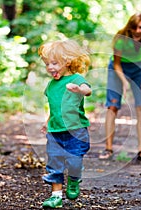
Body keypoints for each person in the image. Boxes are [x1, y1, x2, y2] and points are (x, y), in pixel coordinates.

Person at [38, 39, 92, 208]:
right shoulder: (51, 85)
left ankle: (74, 179)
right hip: (55, 131)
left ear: (67, 62)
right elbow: (54, 107)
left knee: (74, 162)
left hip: (76, 131)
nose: (50, 68)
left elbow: (88, 90)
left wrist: (79, 89)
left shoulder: (76, 79)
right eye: (47, 64)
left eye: (54, 63)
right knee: (54, 163)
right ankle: (56, 196)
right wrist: (48, 122)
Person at [98, 13, 141, 161]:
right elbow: (117, 63)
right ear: (130, 27)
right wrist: (124, 82)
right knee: (112, 106)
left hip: (139, 68)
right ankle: (108, 149)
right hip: (118, 68)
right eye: (135, 27)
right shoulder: (121, 38)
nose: (138, 30)